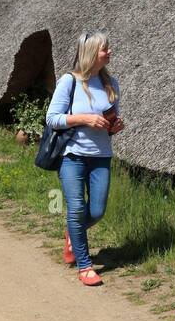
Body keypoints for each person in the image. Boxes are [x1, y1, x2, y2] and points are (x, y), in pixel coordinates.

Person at [45, 31, 123, 286]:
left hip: (101, 155)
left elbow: (110, 119)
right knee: (77, 208)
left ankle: (73, 232)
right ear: (91, 53)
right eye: (105, 49)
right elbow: (52, 118)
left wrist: (114, 126)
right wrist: (84, 119)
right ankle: (85, 265)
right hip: (72, 155)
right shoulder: (69, 81)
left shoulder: (111, 84)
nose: (109, 52)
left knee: (97, 210)